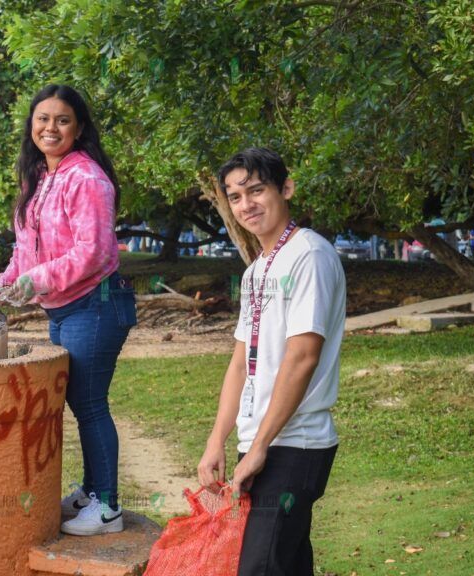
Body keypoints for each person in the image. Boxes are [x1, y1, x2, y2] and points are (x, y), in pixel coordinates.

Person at [0, 84, 136, 536]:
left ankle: (108, 508)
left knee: (89, 403)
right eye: (43, 118)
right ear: (31, 126)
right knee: (77, 400)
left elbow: (95, 253)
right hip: (63, 310)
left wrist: (33, 282)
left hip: (96, 305)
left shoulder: (86, 178)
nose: (51, 127)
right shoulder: (40, 179)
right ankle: (91, 489)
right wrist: (1, 286)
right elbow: (25, 253)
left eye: (62, 120)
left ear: (79, 128)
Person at [197, 148, 345, 576]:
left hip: (294, 445)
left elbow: (303, 358)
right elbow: (241, 361)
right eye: (236, 197)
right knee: (286, 562)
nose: (247, 205)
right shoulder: (257, 269)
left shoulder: (310, 256)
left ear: (287, 188)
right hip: (260, 442)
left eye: (257, 191)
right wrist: (216, 441)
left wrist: (261, 447)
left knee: (260, 567)